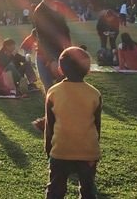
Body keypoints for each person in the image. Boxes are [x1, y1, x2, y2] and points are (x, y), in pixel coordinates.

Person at [45, 47, 101, 199]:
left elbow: (50, 125)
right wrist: (94, 152)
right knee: (88, 190)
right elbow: (97, 126)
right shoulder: (94, 94)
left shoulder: (53, 92)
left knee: (55, 191)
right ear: (88, 69)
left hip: (60, 150)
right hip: (88, 152)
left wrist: (48, 148)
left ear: (60, 69)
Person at [33, 0, 71, 93]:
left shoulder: (60, 7)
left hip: (61, 55)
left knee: (65, 92)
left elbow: (65, 31)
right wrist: (52, 60)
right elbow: (42, 38)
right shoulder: (40, 11)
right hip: (45, 57)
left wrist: (70, 52)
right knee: (51, 95)